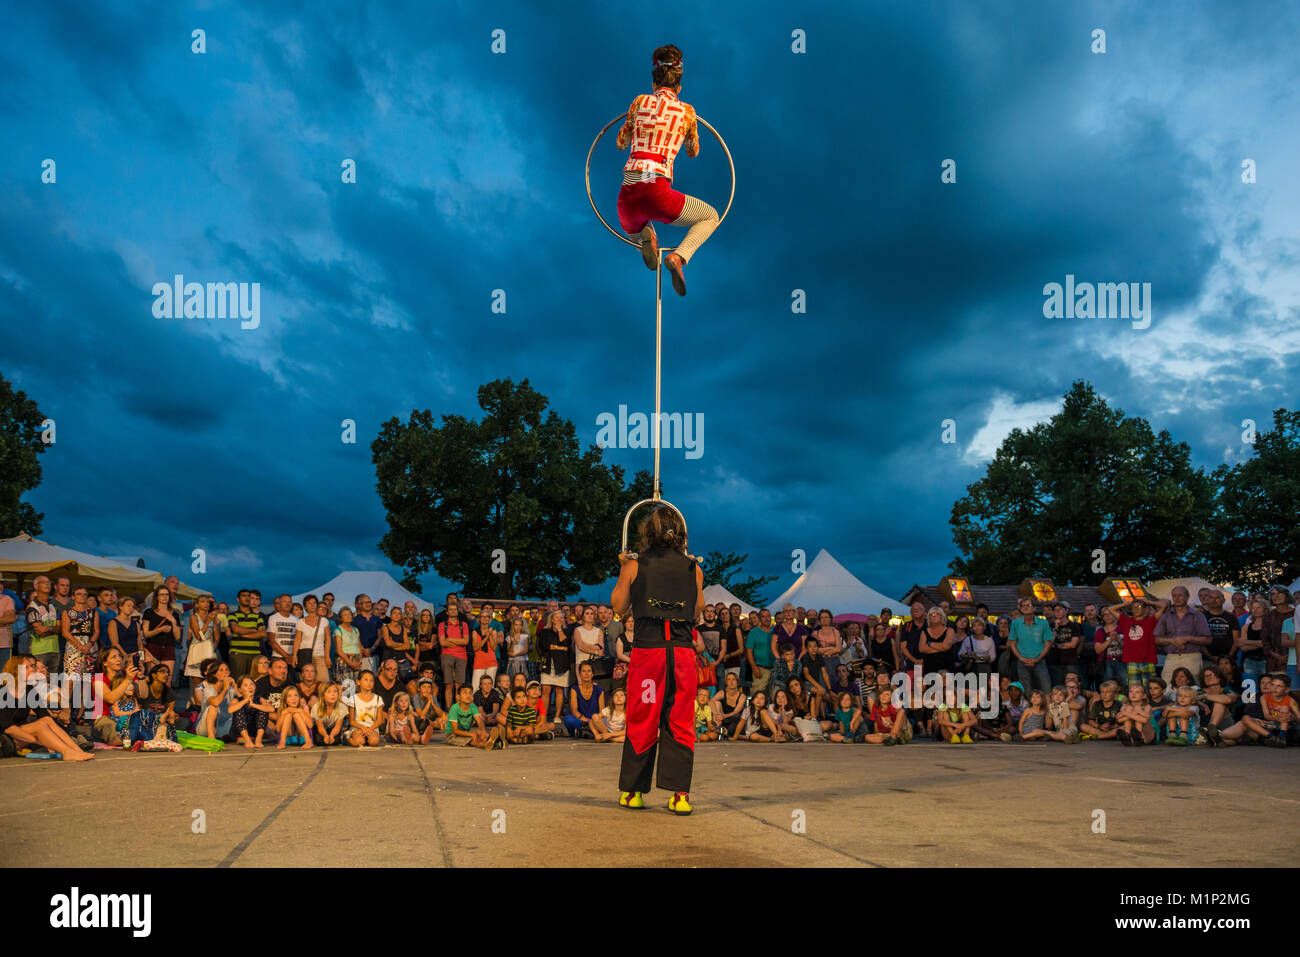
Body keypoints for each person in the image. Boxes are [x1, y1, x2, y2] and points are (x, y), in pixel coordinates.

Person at [610, 505, 703, 814]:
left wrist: (623, 569)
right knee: (680, 720)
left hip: (649, 652)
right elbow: (698, 611)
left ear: (647, 532)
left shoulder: (635, 565)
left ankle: (634, 792)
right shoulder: (694, 568)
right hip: (682, 654)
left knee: (643, 717)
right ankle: (680, 796)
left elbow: (619, 607)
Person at [614, 44, 719, 296]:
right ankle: (679, 258)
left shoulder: (639, 102)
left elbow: (620, 143)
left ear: (653, 83)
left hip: (628, 192)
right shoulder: (687, 112)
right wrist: (686, 129)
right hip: (656, 188)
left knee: (636, 229)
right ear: (679, 87)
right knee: (711, 216)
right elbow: (693, 152)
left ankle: (644, 238)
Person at [0, 656, 94, 761]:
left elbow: (44, 716)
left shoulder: (29, 690)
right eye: (26, 668)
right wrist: (38, 740)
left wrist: (51, 739)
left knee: (46, 720)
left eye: (31, 666)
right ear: (15, 671)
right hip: (5, 739)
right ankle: (67, 752)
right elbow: (7, 727)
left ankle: (76, 750)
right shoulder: (4, 691)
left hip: (17, 736)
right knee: (40, 725)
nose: (32, 669)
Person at [1008, 597, 1052, 694]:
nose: (1026, 607)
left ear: (1034, 608)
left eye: (1029, 605)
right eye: (1023, 606)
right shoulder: (1015, 623)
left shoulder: (1043, 623)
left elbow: (1048, 644)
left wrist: (1038, 658)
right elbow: (1012, 643)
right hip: (1022, 662)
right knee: (1025, 690)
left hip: (1039, 660)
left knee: (1046, 687)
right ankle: (1029, 709)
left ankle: (1048, 709)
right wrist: (1021, 658)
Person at [196, 659, 236, 741]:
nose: (225, 672)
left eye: (227, 670)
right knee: (213, 708)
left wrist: (235, 685)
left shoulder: (231, 689)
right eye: (221, 670)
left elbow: (244, 701)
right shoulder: (208, 689)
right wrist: (225, 689)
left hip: (224, 726)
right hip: (205, 728)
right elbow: (215, 703)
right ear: (214, 674)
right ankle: (211, 739)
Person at [446, 683, 495, 749]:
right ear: (458, 696)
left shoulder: (473, 706)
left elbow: (479, 721)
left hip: (466, 733)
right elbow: (455, 730)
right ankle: (487, 744)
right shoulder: (454, 708)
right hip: (452, 735)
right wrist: (472, 734)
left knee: (480, 733)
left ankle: (493, 739)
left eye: (470, 693)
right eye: (465, 693)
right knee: (471, 740)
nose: (468, 695)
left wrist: (483, 731)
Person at [228, 675, 271, 748]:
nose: (249, 687)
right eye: (245, 685)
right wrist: (246, 700)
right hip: (240, 732)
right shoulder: (237, 700)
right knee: (239, 709)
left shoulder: (259, 699)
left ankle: (258, 739)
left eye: (251, 684)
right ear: (240, 689)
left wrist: (253, 705)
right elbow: (230, 710)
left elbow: (271, 709)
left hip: (254, 730)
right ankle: (247, 739)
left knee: (263, 709)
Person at [348, 671, 384, 747]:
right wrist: (362, 728)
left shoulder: (378, 699)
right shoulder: (353, 698)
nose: (369, 683)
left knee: (374, 742)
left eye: (371, 680)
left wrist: (370, 729)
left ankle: (368, 739)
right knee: (359, 741)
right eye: (366, 680)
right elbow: (351, 721)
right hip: (357, 728)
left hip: (372, 728)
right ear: (358, 682)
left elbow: (379, 720)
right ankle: (348, 739)